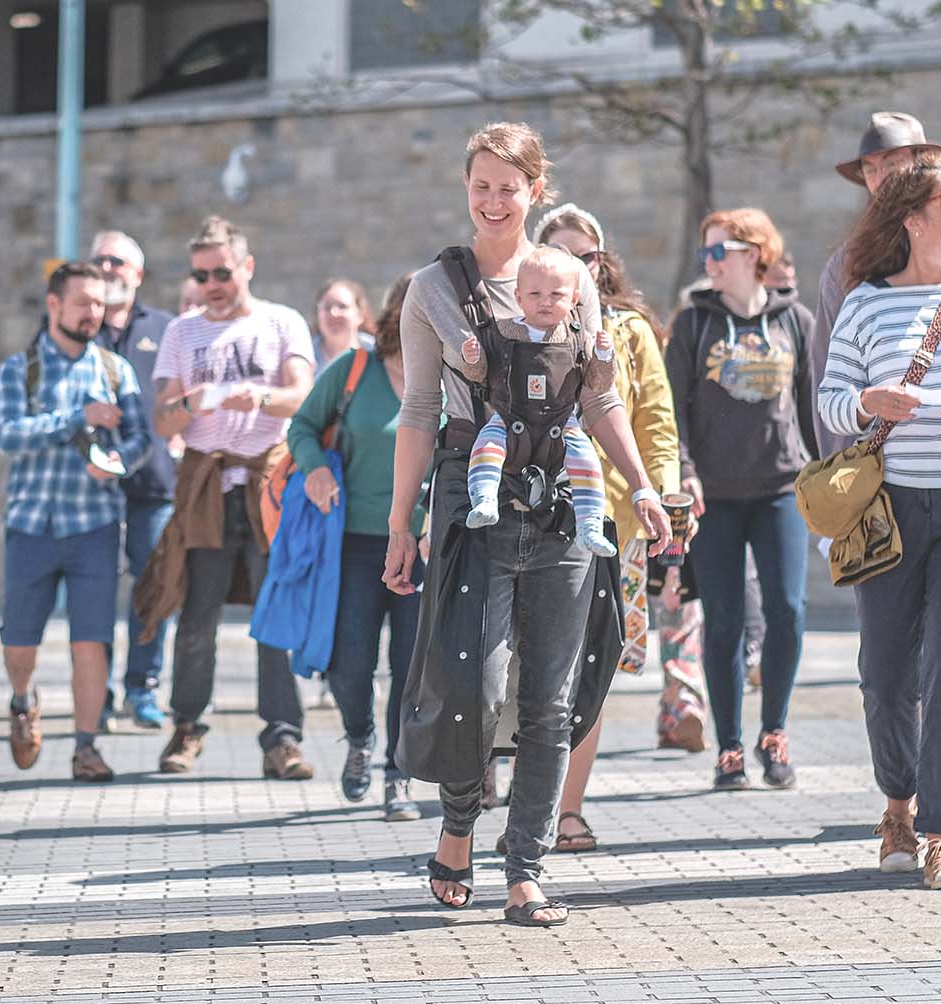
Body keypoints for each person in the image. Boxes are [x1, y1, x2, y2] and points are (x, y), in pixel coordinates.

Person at [388, 122, 669, 928]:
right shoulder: (433, 288)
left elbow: (603, 398)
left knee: (551, 697)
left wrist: (644, 489)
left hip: (563, 512)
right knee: (473, 684)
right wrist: (401, 522)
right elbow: (416, 411)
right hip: (471, 504)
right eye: (480, 185)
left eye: (509, 187)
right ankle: (455, 826)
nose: (492, 201)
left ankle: (527, 870)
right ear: (465, 188)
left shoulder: (571, 283)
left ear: (534, 193)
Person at [819, 147, 941, 890]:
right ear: (913, 217)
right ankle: (898, 801)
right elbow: (829, 400)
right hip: (888, 510)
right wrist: (867, 402)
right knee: (887, 675)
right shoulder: (864, 302)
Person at [137, 215, 317, 779]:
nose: (212, 283)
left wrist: (256, 398)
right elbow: (162, 419)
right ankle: (187, 728)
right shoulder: (182, 332)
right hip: (206, 486)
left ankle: (283, 739)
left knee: (275, 616)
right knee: (196, 615)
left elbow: (302, 396)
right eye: (201, 274)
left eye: (221, 272)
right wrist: (194, 404)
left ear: (246, 267)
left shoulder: (281, 321)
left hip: (267, 484)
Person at [536, 204, 683, 853]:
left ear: (602, 263)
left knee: (588, 671)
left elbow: (654, 418)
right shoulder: (518, 328)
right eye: (563, 256)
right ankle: (526, 792)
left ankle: (566, 810)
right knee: (532, 669)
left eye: (588, 256)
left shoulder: (627, 331)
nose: (579, 268)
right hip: (532, 516)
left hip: (613, 522)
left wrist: (666, 491)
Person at [664, 207, 817, 792]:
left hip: (780, 488)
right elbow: (673, 408)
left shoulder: (795, 321)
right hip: (714, 497)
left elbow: (808, 407)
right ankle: (729, 746)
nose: (708, 262)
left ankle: (773, 732)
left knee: (788, 610)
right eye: (705, 252)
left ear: (753, 253)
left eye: (717, 251)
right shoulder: (693, 323)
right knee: (723, 621)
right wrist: (684, 471)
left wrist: (821, 474)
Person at [0, 262, 150, 782]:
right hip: (31, 525)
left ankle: (86, 747)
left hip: (95, 528)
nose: (93, 313)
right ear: (54, 305)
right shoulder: (22, 369)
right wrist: (75, 420)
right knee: (19, 643)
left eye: (100, 304)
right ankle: (23, 698)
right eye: (83, 302)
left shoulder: (114, 370)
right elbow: (8, 436)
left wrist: (115, 462)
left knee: (92, 641)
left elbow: (140, 439)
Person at [288, 273, 423, 816]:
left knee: (412, 666)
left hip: (421, 546)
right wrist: (315, 469)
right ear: (398, 313)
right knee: (349, 663)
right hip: (352, 544)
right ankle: (359, 736)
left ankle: (399, 774)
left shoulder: (454, 378)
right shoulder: (354, 370)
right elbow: (301, 427)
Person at [809, 112, 941, 457]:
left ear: (920, 167)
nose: (880, 179)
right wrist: (843, 472)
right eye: (870, 169)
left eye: (891, 164)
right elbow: (829, 378)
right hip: (888, 463)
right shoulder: (846, 263)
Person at [458, 245, 618, 557]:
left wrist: (603, 355)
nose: (545, 302)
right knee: (487, 445)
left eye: (556, 295)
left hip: (561, 420)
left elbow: (598, 384)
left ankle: (590, 526)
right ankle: (484, 498)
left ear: (574, 299)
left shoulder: (577, 337)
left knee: (586, 460)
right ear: (518, 297)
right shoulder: (503, 331)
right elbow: (479, 376)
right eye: (535, 295)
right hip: (509, 415)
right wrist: (472, 358)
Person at [89, 229, 179, 731]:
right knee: (96, 591)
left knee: (153, 591)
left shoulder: (165, 329)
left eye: (117, 262)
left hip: (153, 486)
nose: (107, 269)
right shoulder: (72, 328)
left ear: (137, 274)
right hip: (92, 487)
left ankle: (141, 690)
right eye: (99, 260)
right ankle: (95, 693)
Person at [314, 278, 377, 363]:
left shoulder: (378, 354)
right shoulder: (303, 355)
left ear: (360, 314)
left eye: (342, 306)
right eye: (327, 307)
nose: (333, 313)